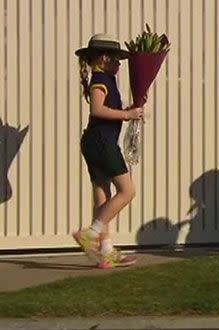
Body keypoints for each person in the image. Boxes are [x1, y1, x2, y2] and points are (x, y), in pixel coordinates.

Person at [73, 34, 144, 269]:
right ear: (104, 58)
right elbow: (97, 109)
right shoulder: (100, 79)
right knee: (127, 191)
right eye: (116, 59)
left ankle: (106, 251)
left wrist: (127, 110)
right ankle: (90, 234)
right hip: (102, 142)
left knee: (103, 196)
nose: (119, 63)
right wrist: (127, 115)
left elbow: (106, 109)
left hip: (94, 141)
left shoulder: (104, 78)